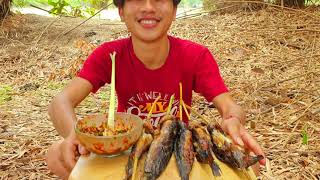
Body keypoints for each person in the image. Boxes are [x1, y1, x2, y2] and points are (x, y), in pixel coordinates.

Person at [46, 0, 266, 178]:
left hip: (178, 150)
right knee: (56, 153)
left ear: (174, 9)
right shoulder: (109, 55)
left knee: (248, 162)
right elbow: (60, 102)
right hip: (127, 150)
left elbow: (230, 107)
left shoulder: (195, 56)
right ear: (121, 10)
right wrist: (74, 134)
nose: (149, 6)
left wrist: (233, 120)